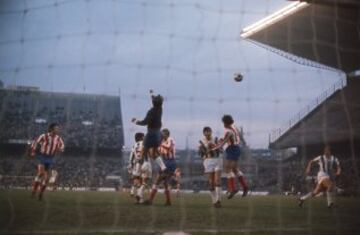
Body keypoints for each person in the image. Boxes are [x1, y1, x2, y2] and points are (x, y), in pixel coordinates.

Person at [211, 115, 248, 199]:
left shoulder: (228, 131)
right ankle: (245, 187)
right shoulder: (234, 127)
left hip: (232, 149)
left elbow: (222, 143)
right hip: (235, 148)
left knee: (227, 169)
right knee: (234, 169)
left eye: (223, 122)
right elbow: (232, 139)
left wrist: (214, 148)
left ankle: (233, 188)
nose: (223, 124)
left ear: (225, 123)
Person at [132, 90, 166, 172]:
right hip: (159, 133)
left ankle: (138, 169)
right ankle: (163, 166)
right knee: (154, 153)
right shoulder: (160, 109)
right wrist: (151, 94)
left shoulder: (151, 112)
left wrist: (136, 121)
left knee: (144, 151)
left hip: (151, 133)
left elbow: (145, 122)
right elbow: (154, 99)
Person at [30, 123, 65, 200]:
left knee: (45, 178)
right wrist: (33, 151)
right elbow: (35, 142)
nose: (58, 130)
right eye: (56, 128)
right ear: (52, 129)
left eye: (58, 128)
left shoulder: (58, 138)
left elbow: (62, 146)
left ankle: (40, 194)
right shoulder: (44, 136)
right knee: (41, 173)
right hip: (43, 156)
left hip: (50, 158)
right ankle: (34, 191)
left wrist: (60, 149)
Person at [146, 128, 176, 206]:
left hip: (170, 162)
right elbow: (158, 152)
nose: (160, 135)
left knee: (157, 181)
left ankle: (150, 200)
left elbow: (169, 147)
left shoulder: (170, 139)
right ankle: (168, 201)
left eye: (162, 134)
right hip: (164, 162)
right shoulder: (161, 142)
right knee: (165, 183)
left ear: (167, 134)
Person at [199, 126, 222, 208]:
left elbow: (221, 150)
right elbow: (201, 154)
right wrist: (205, 151)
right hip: (208, 161)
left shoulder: (216, 139)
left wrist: (215, 148)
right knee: (211, 183)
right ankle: (214, 201)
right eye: (206, 132)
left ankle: (218, 201)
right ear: (204, 133)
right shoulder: (201, 142)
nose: (208, 133)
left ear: (211, 132)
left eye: (209, 131)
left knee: (217, 181)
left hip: (217, 160)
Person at [128, 132, 144, 197]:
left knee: (136, 177)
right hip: (142, 162)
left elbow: (131, 155)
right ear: (141, 137)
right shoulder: (144, 143)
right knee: (141, 178)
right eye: (143, 136)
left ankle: (133, 190)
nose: (144, 137)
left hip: (135, 162)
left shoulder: (134, 145)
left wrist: (130, 163)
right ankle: (138, 193)